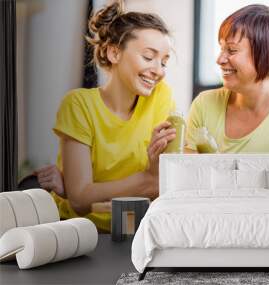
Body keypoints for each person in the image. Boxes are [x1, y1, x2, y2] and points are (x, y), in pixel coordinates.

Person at [36, 1, 176, 232]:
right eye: (148, 57)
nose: (159, 70)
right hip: (77, 230)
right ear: (114, 52)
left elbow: (164, 186)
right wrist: (148, 179)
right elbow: (81, 201)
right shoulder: (79, 104)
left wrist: (83, 191)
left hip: (132, 228)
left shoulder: (160, 96)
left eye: (164, 61)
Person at [186, 4, 269, 153]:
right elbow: (188, 173)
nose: (220, 59)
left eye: (231, 50)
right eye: (221, 48)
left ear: (266, 54)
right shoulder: (204, 104)